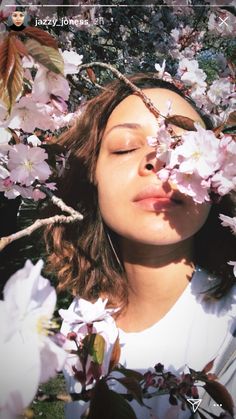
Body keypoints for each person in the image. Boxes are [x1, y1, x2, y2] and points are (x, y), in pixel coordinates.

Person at [45, 74, 236, 418]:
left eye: (182, 148)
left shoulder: (230, 325)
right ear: (92, 175)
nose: (158, 161)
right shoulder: (81, 319)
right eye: (125, 147)